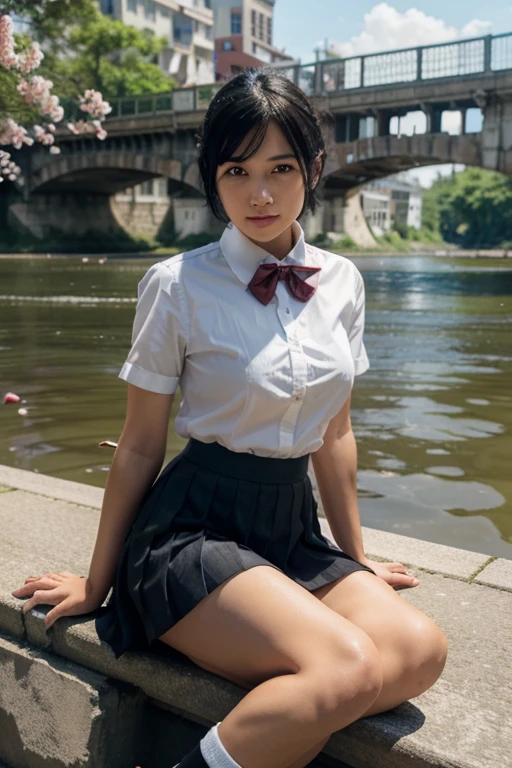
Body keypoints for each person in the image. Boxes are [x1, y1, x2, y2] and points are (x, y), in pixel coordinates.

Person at [11, 68, 448, 768]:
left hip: (290, 528)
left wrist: (357, 562)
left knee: (420, 652)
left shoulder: (342, 283)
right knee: (345, 669)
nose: (261, 193)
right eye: (237, 170)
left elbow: (335, 434)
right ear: (212, 177)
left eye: (281, 167)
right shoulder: (177, 285)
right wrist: (98, 583)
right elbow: (138, 446)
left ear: (313, 169)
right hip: (191, 533)